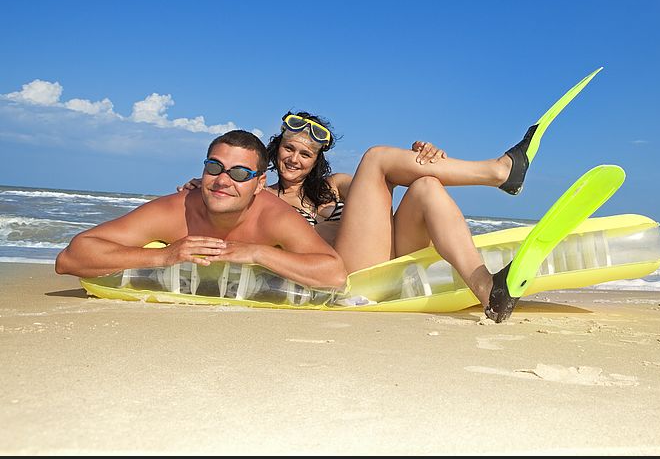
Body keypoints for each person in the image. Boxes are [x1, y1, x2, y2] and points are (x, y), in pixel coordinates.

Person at [180, 112, 537, 322]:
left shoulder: (335, 186)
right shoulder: (260, 198)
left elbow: (382, 196)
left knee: (427, 184)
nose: (295, 159)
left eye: (305, 154)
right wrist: (205, 188)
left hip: (389, 260)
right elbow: (225, 217)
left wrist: (427, 157)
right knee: (378, 157)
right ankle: (497, 173)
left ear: (315, 161)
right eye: (288, 148)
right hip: (348, 277)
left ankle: (488, 290)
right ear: (275, 152)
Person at [55, 130, 348, 290]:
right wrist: (164, 255)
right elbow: (70, 258)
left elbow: (334, 274)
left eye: (240, 174)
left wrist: (258, 252)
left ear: (260, 183)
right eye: (214, 167)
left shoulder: (272, 215)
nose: (222, 180)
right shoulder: (176, 210)